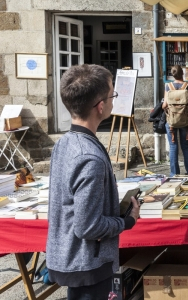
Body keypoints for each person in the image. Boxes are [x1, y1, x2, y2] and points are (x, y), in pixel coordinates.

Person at [47, 64, 139, 300]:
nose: (112, 101)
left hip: (74, 257)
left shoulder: (65, 142)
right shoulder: (88, 156)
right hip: (88, 263)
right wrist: (127, 221)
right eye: (112, 95)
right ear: (100, 106)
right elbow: (87, 227)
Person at [162, 65, 188, 176]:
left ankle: (174, 174)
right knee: (185, 146)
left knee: (173, 146)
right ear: (183, 73)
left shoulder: (168, 86)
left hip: (171, 121)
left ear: (173, 75)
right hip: (184, 121)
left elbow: (164, 105)